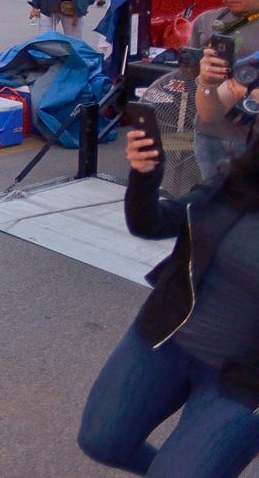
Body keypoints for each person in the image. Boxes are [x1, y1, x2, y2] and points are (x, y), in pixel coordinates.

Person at [76, 118, 259, 477]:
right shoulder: (240, 179)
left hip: (244, 383)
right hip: (166, 335)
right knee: (101, 442)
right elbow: (152, 223)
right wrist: (145, 176)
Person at [190, 0, 259, 178]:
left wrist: (248, 91)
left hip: (253, 138)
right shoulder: (206, 21)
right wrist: (200, 73)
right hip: (209, 134)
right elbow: (191, 72)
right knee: (212, 197)